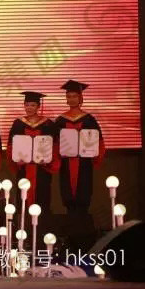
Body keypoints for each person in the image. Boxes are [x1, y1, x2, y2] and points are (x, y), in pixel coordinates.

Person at [53, 80, 106, 215]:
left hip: (84, 163)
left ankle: (83, 223)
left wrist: (96, 155)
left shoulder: (89, 119)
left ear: (81, 98)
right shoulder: (60, 120)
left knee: (84, 194)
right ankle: (71, 223)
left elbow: (99, 142)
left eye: (75, 96)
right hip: (66, 163)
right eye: (69, 96)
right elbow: (55, 144)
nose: (72, 99)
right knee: (68, 195)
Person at [6, 92, 60, 213]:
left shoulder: (48, 124)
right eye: (27, 105)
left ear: (38, 107)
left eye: (33, 105)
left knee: (42, 196)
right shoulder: (18, 124)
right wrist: (16, 161)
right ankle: (24, 222)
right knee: (23, 197)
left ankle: (42, 222)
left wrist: (49, 162)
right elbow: (11, 146)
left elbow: (55, 147)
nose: (29, 108)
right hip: (24, 168)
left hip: (42, 169)